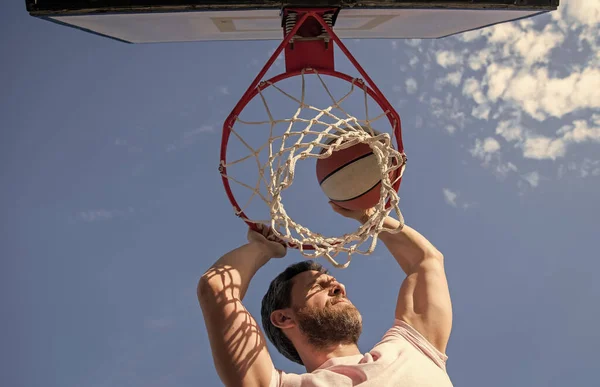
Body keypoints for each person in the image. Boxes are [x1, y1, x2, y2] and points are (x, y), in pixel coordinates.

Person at [198, 202, 453, 386]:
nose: (339, 287)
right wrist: (263, 248)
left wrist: (371, 215)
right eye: (318, 286)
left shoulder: (413, 348)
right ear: (284, 318)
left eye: (333, 282)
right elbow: (217, 290)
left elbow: (426, 261)